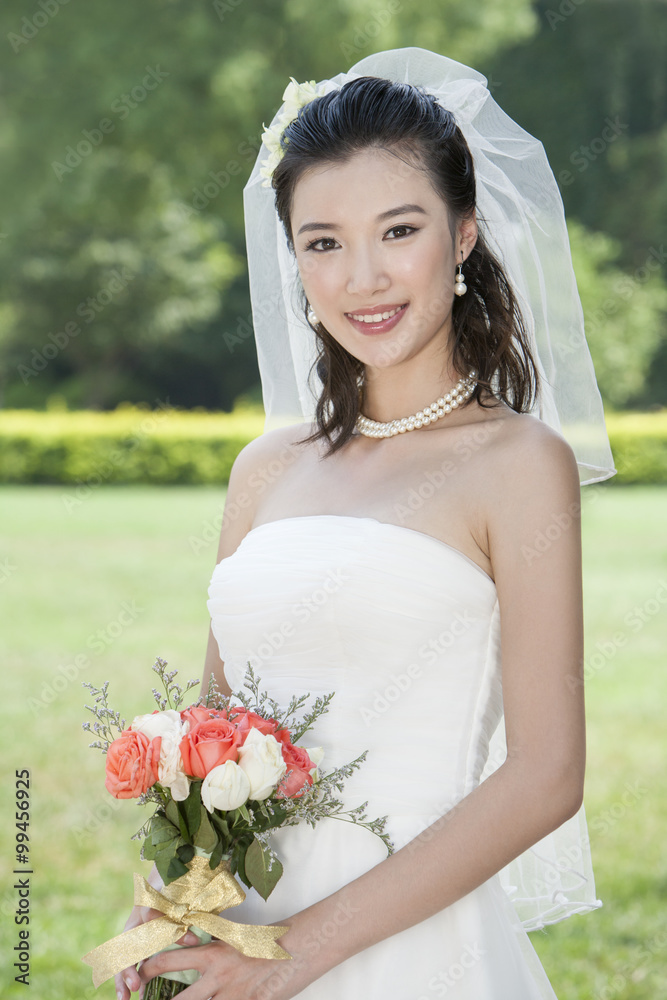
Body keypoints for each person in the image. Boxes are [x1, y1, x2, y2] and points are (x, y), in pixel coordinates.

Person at [116, 48, 616, 999]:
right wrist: (172, 899)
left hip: (413, 951)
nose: (363, 278)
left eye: (398, 230)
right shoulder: (264, 468)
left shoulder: (516, 465)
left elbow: (547, 774)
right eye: (324, 242)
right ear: (292, 257)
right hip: (237, 942)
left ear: (463, 234)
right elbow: (213, 732)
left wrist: (299, 953)